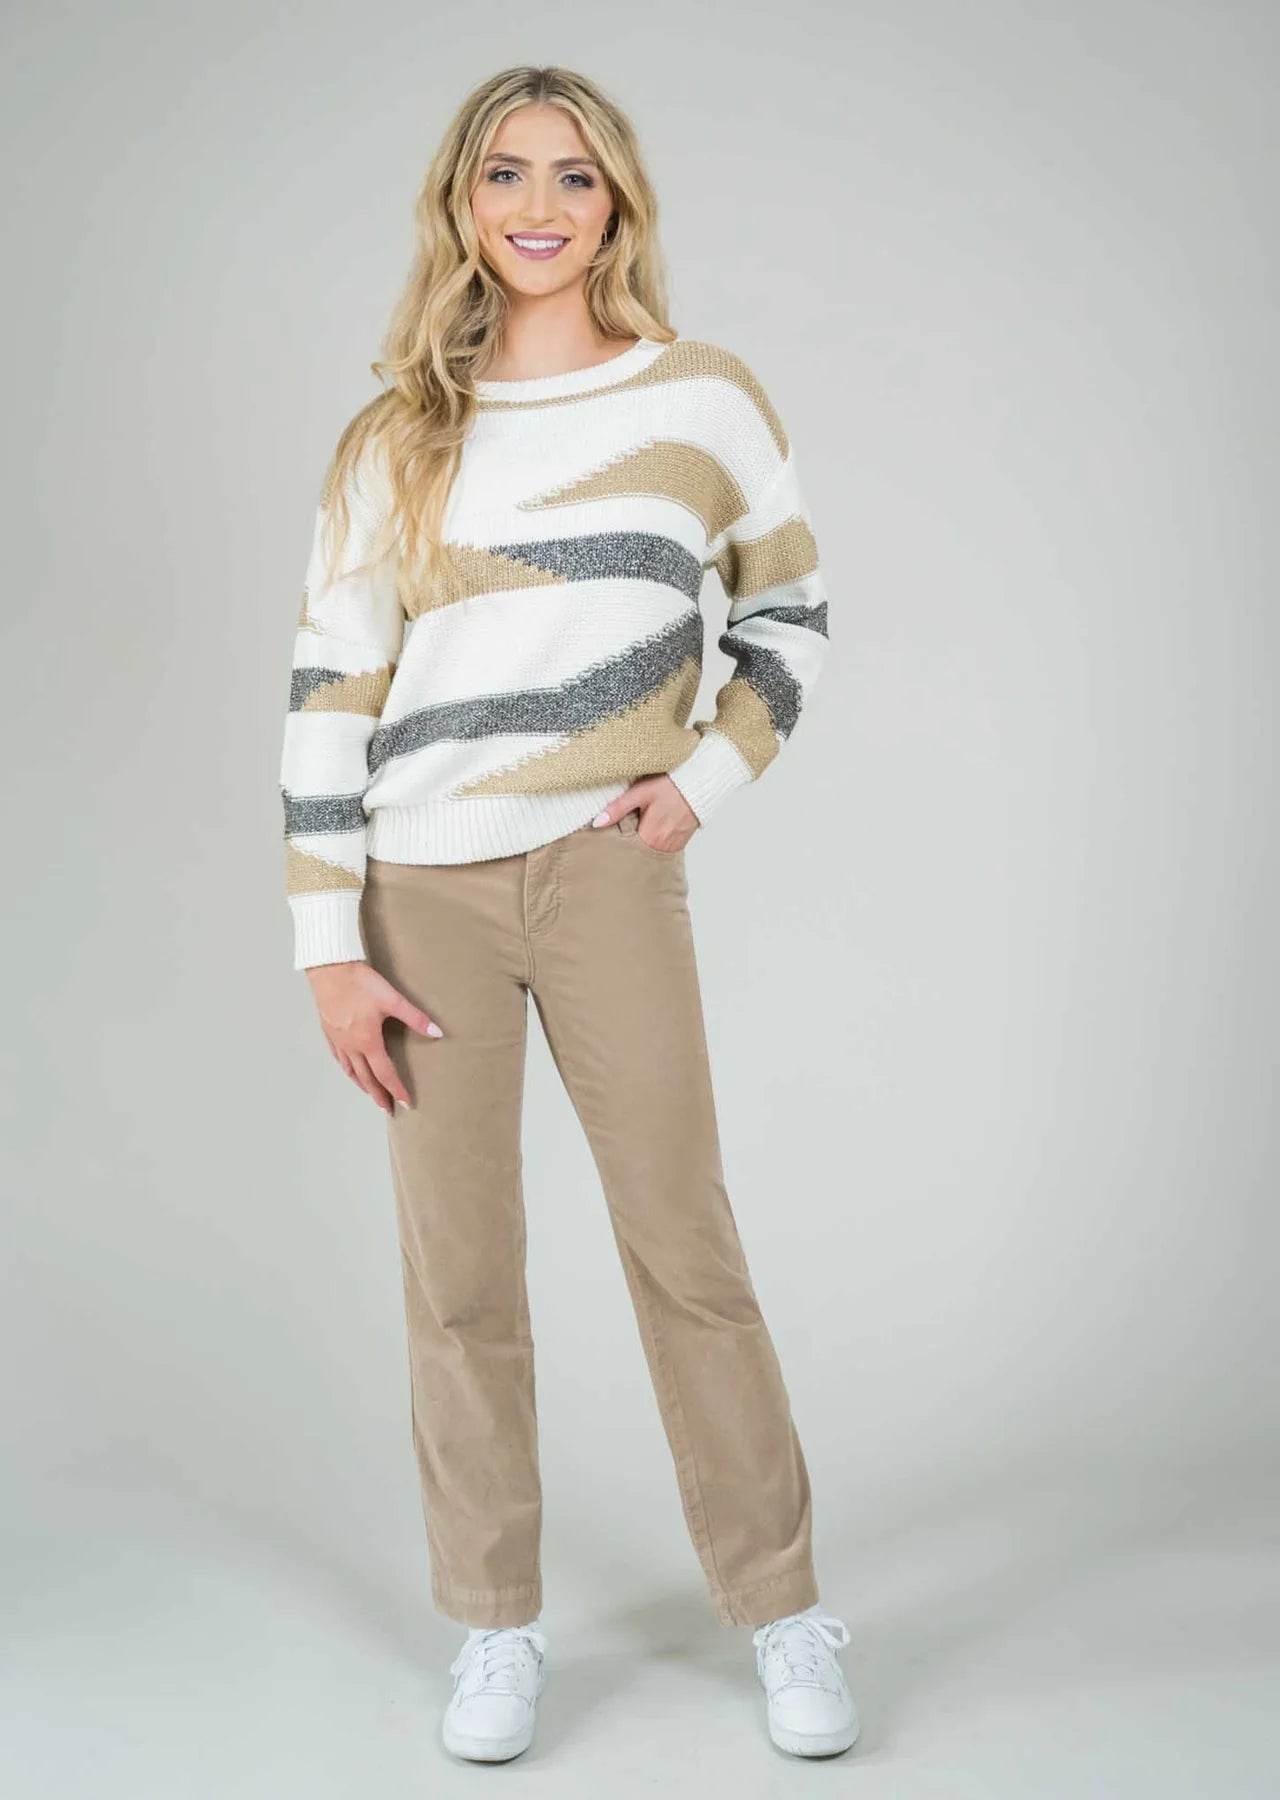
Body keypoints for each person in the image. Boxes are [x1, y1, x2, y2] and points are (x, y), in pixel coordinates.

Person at [277, 63, 859, 1764]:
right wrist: (329, 949)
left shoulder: (702, 398)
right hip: (419, 891)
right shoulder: (398, 436)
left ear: (619, 205)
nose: (540, 206)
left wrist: (706, 782)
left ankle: (784, 1605)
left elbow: (793, 610)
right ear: (463, 204)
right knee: (460, 1277)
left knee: (686, 1244)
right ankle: (494, 1625)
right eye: (507, 174)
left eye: (576, 177)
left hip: (608, 873)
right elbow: (328, 691)